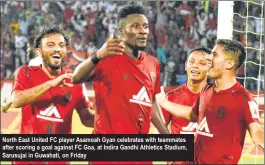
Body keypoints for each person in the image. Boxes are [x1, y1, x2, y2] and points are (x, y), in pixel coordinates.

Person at [72, 4, 169, 164]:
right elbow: (76, 77)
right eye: (135, 26)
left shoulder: (153, 64)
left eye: (145, 26)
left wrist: (166, 136)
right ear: (121, 32)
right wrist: (98, 55)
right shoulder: (106, 57)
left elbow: (150, 102)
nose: (142, 31)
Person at [157, 39, 264, 164]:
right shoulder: (206, 91)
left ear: (229, 64)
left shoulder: (244, 98)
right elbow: (193, 114)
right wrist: (163, 102)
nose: (210, 59)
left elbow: (257, 131)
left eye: (214, 55)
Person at [11, 26, 93, 165]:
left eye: (61, 45)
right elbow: (17, 100)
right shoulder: (26, 73)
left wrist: (114, 118)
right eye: (50, 45)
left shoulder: (75, 81)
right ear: (39, 51)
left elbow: (86, 119)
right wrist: (50, 84)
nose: (57, 49)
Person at [162, 46, 211, 136]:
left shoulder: (217, 97)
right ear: (185, 65)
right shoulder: (171, 97)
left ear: (210, 69)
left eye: (202, 63)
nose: (195, 66)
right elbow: (160, 129)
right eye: (191, 62)